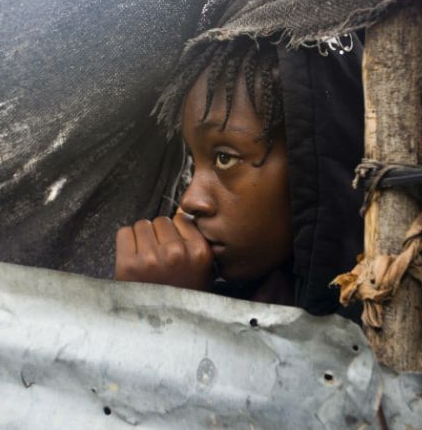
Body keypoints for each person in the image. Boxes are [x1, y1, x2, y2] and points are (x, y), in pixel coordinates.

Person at [115, 35, 365, 320]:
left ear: (311, 161)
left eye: (225, 158)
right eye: (193, 163)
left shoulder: (380, 318)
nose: (189, 200)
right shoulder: (228, 286)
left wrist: (172, 313)